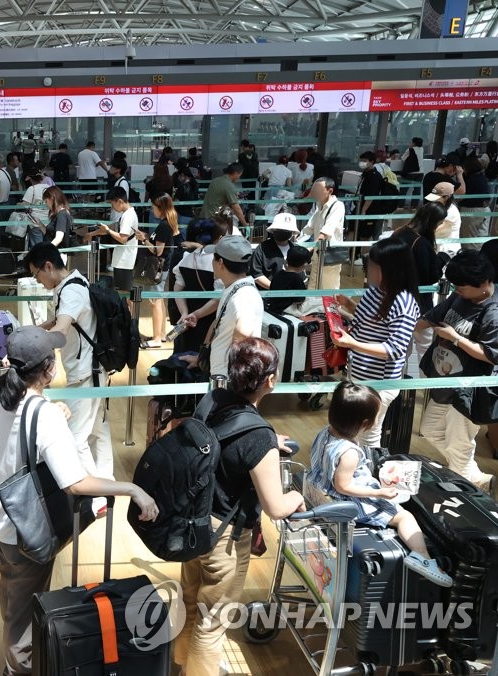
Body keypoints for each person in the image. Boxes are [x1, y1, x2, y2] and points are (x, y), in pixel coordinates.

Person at [0, 325, 158, 675]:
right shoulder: (44, 413)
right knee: (22, 617)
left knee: (13, 597)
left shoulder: (6, 392)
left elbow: (27, 422)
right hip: (25, 528)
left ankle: (13, 658)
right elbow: (76, 483)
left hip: (3, 515)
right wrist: (130, 489)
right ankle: (17, 668)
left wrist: (54, 409)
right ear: (49, 369)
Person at [175, 338, 305, 676]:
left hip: (192, 522)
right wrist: (297, 498)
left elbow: (220, 442)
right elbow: (276, 507)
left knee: (190, 603)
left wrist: (266, 443)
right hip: (225, 538)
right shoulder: (259, 438)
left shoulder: (211, 401)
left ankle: (179, 665)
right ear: (270, 380)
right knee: (212, 620)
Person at [307, 382, 452, 585]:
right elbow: (343, 486)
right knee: (404, 517)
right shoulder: (348, 452)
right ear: (366, 423)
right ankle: (423, 559)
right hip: (347, 502)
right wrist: (379, 493)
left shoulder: (325, 433)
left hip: (322, 490)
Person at [25, 243, 115, 507]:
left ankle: (96, 496)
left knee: (76, 439)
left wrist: (30, 349)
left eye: (36, 274)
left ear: (49, 267)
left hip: (86, 375)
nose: (37, 281)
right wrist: (33, 331)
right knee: (99, 430)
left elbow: (61, 331)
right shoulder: (72, 283)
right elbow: (58, 321)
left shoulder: (72, 291)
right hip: (93, 370)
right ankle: (105, 481)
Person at [416, 250, 498, 493]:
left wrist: (455, 338)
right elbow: (431, 318)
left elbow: (490, 355)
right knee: (431, 430)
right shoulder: (460, 296)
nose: (457, 290)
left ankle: (466, 489)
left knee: (459, 442)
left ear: (483, 284)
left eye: (461, 287)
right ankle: (474, 477)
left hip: (471, 389)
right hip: (445, 381)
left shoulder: (493, 312)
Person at [330, 239, 419, 445]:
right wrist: (348, 304)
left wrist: (352, 344)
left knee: (368, 437)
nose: (367, 269)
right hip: (359, 374)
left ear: (391, 270)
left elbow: (394, 349)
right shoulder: (375, 290)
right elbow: (366, 319)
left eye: (372, 266)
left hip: (379, 382)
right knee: (353, 433)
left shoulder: (403, 303)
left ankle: (369, 474)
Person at [186, 236, 262, 379]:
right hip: (221, 373)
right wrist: (204, 358)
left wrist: (234, 372)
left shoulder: (244, 296)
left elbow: (243, 332)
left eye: (213, 258)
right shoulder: (236, 288)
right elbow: (220, 321)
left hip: (229, 379)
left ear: (220, 262)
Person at [391, 203, 451, 375]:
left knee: (402, 345)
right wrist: (442, 258)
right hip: (418, 301)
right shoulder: (422, 243)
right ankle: (425, 385)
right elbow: (431, 275)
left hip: (396, 296)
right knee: (425, 343)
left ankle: (398, 380)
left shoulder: (401, 231)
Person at [170, 218, 229, 353]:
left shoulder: (187, 258)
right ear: (219, 238)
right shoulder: (218, 263)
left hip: (186, 322)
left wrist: (185, 313)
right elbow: (217, 298)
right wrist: (195, 315)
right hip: (209, 321)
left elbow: (177, 289)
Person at [136, 193, 184, 345]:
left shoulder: (164, 225)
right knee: (159, 300)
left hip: (158, 267)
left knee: (155, 301)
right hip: (162, 267)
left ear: (161, 208)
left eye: (153, 207)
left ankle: (157, 338)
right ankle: (161, 334)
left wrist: (143, 240)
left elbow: (158, 251)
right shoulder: (166, 224)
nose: (152, 209)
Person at [300, 177, 345, 293]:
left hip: (331, 255)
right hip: (318, 254)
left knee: (329, 289)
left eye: (318, 190)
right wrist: (296, 239)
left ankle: (332, 311)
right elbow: (309, 228)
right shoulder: (319, 205)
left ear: (330, 191)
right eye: (313, 190)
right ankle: (312, 308)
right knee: (313, 285)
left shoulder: (338, 206)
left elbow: (325, 232)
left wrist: (309, 248)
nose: (314, 193)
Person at [250, 211, 300, 290]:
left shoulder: (296, 249)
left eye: (287, 230)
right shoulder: (262, 249)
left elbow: (300, 273)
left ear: (292, 232)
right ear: (273, 230)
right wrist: (276, 288)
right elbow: (257, 274)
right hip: (268, 296)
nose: (283, 232)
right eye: (280, 229)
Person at [265, 246, 311, 316]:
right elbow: (300, 299)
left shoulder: (278, 274)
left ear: (286, 260)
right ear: (304, 265)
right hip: (288, 310)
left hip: (274, 307)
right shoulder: (297, 278)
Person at [459, 157, 490, 250]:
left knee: (468, 239)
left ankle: (469, 260)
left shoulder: (470, 180)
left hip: (472, 210)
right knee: (481, 236)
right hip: (485, 210)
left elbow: (462, 195)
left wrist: (459, 176)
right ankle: (480, 258)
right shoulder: (482, 178)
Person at [424, 182, 461, 257]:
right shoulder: (441, 208)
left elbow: (434, 230)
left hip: (448, 251)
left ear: (446, 197)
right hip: (439, 248)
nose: (433, 201)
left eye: (436, 198)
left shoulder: (451, 212)